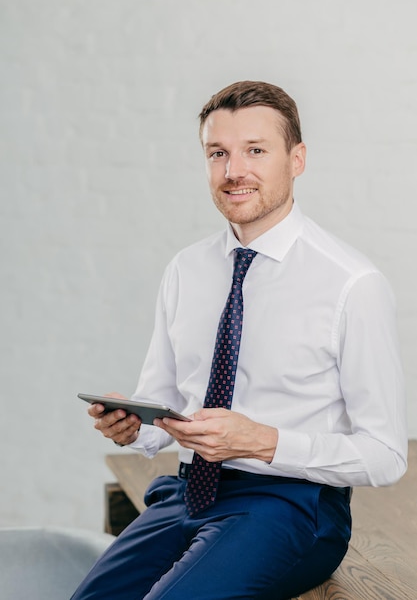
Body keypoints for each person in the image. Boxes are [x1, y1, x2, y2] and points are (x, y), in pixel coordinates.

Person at [72, 80, 407, 600]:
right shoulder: (186, 270)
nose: (234, 172)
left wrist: (263, 441)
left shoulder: (351, 285)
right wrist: (133, 426)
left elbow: (386, 456)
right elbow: (164, 418)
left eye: (256, 150)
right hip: (187, 493)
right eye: (218, 153)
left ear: (296, 159)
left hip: (292, 505)